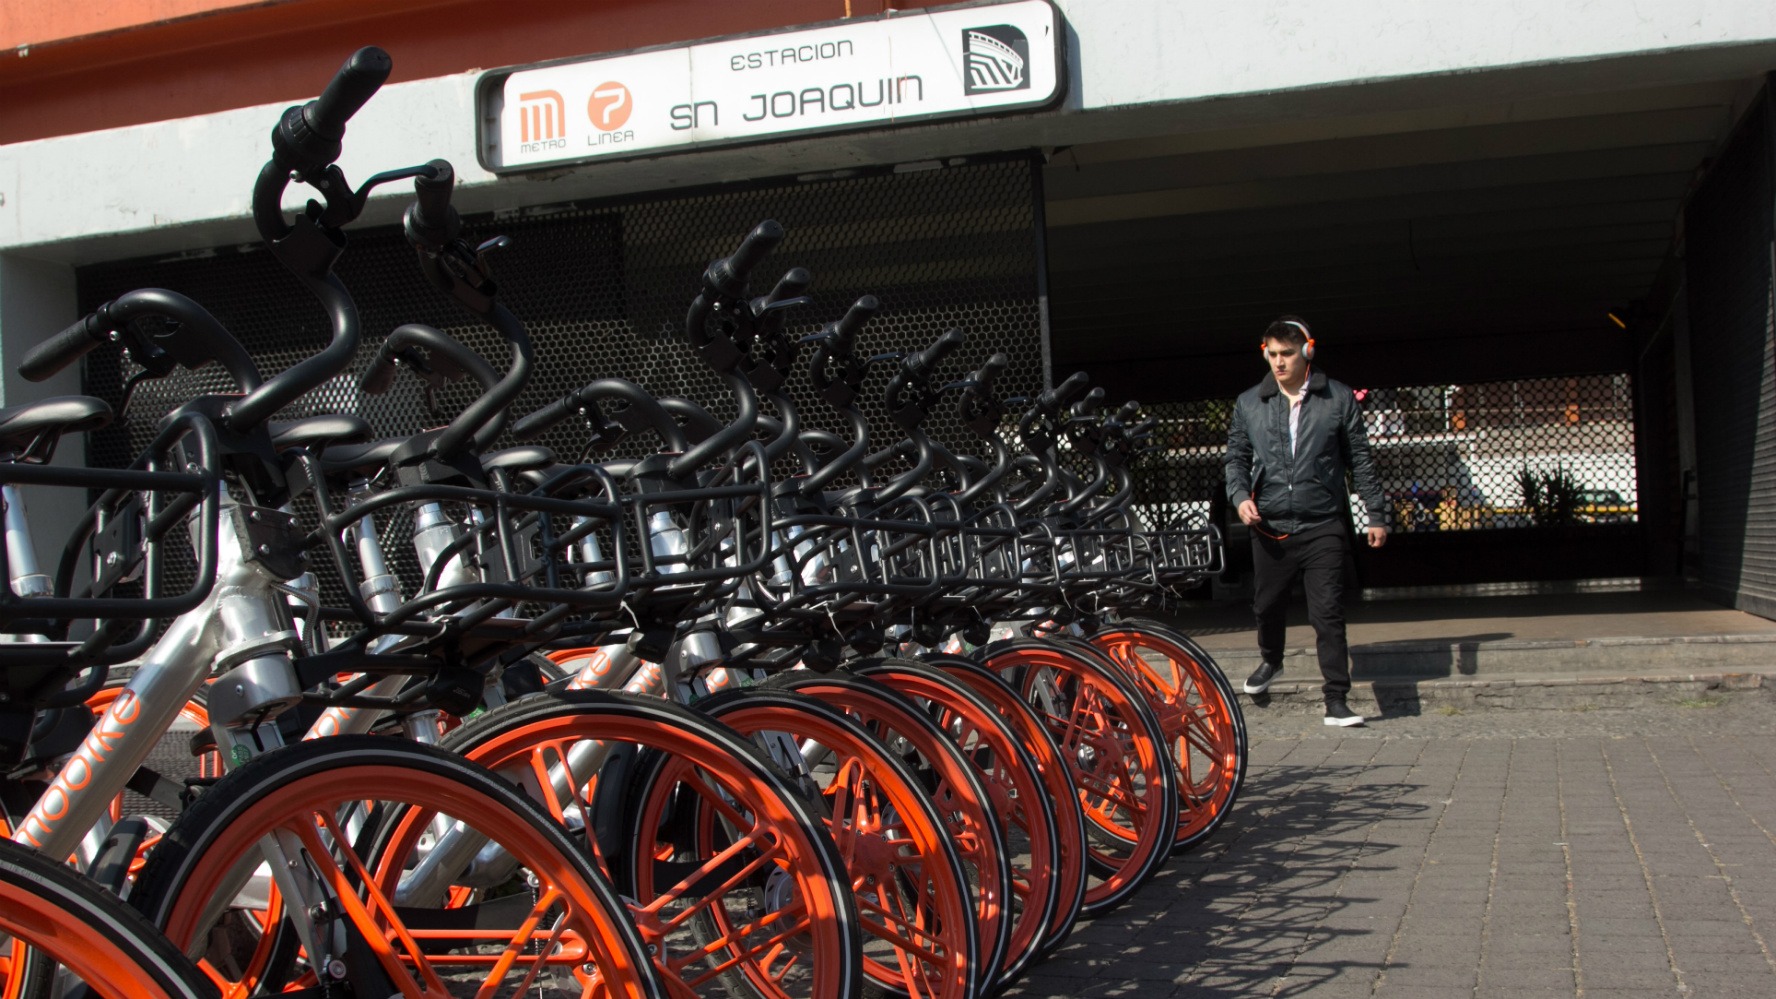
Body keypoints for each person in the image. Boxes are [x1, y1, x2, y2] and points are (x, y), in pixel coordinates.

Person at [1224, 315, 1388, 726]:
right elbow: (1236, 459)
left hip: (1322, 523)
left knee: (1327, 613)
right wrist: (1240, 497)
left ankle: (1336, 699)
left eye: (1287, 354)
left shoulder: (1338, 398)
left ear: (1307, 351)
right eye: (1271, 354)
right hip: (1270, 525)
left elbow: (1360, 461)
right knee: (1267, 604)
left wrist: (1376, 514)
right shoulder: (1249, 402)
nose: (1278, 362)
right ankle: (1271, 660)